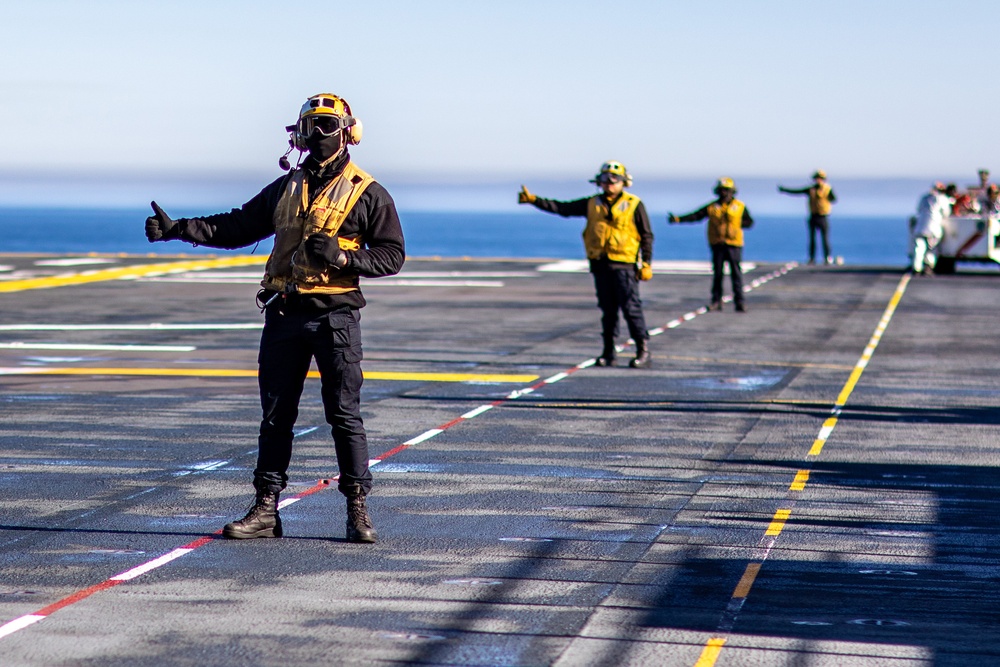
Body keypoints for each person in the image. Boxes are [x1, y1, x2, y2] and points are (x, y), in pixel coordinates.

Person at [144, 93, 405, 543]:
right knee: (275, 417)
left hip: (336, 319)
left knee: (344, 414)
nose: (318, 134)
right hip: (284, 314)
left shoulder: (370, 193)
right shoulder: (284, 189)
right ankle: (267, 509)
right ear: (298, 133)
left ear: (347, 132)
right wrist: (179, 229)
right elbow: (238, 226)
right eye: (311, 126)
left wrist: (344, 256)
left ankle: (357, 510)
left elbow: (392, 255)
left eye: (327, 125)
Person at [518, 161, 654, 368]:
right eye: (604, 179)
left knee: (631, 308)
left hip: (624, 266)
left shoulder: (634, 204)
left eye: (613, 179)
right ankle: (608, 352)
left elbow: (646, 235)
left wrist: (646, 263)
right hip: (600, 265)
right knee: (607, 310)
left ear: (624, 182)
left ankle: (643, 351)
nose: (608, 183)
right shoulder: (592, 203)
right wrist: (534, 200)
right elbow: (563, 208)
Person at [668, 177, 754, 312]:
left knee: (736, 274)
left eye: (727, 191)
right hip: (717, 244)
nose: (724, 193)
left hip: (734, 245)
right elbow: (696, 216)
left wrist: (736, 226)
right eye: (722, 191)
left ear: (732, 192)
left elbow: (749, 222)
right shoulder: (712, 207)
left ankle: (740, 302)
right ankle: (716, 301)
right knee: (717, 274)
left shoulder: (740, 207)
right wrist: (678, 219)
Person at [778, 169, 837, 265]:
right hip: (813, 216)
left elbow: (834, 199)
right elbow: (797, 191)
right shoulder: (811, 189)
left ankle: (827, 258)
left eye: (820, 179)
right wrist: (784, 190)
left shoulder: (828, 189)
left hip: (823, 217)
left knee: (825, 239)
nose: (818, 180)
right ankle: (812, 258)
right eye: (817, 178)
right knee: (812, 239)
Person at [911, 182, 951, 275]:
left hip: (921, 227)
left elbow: (918, 209)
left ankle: (916, 268)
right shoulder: (942, 199)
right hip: (934, 228)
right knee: (931, 249)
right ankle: (928, 267)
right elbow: (946, 212)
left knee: (919, 248)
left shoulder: (924, 198)